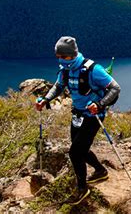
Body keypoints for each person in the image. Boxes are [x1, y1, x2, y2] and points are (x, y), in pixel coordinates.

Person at [35, 36, 121, 205]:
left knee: (75, 152)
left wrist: (100, 104)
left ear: (72, 54)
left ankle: (82, 189)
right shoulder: (66, 69)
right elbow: (59, 86)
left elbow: (115, 88)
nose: (60, 59)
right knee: (80, 148)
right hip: (77, 115)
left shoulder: (93, 69)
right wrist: (46, 99)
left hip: (93, 116)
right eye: (58, 56)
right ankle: (100, 170)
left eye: (63, 56)